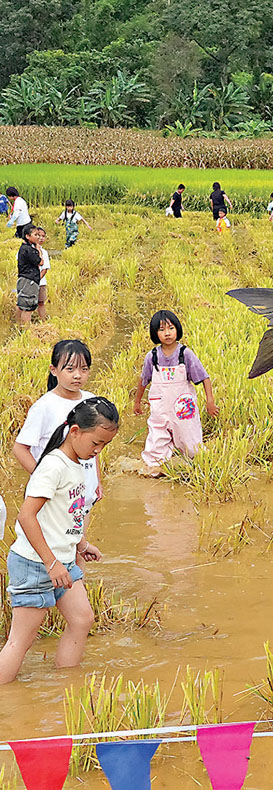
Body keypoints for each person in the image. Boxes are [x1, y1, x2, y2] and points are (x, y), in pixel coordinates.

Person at [0, 397, 119, 684]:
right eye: (96, 443)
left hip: (62, 562)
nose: (98, 451)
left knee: (82, 620)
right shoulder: (53, 466)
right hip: (36, 563)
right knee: (20, 641)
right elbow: (27, 517)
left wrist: (81, 545)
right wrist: (51, 563)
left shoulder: (76, 463)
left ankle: (66, 689)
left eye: (104, 445)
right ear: (75, 431)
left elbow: (66, 515)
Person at [13, 339, 103, 512]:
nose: (77, 375)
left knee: (78, 535)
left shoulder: (91, 401)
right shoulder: (44, 407)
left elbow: (94, 443)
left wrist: (97, 480)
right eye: (70, 369)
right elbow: (19, 448)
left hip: (83, 490)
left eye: (84, 369)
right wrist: (44, 479)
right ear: (53, 370)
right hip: (53, 494)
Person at [133, 310, 219, 476]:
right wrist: (137, 402)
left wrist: (210, 401)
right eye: (161, 330)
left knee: (190, 443)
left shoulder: (185, 354)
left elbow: (204, 377)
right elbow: (144, 380)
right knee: (156, 442)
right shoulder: (152, 357)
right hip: (160, 406)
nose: (167, 333)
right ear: (155, 333)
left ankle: (196, 469)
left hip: (183, 407)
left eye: (171, 328)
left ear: (177, 329)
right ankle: (156, 469)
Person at [15, 224, 42, 326]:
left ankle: (18, 327)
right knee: (27, 307)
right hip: (29, 280)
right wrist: (38, 249)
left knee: (21, 304)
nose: (38, 237)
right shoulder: (29, 250)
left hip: (23, 279)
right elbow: (40, 262)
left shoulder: (24, 248)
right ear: (27, 236)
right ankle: (26, 331)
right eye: (35, 235)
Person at [34, 226, 50, 321]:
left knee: (41, 302)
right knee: (27, 304)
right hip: (28, 281)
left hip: (40, 282)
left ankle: (42, 322)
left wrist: (37, 279)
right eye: (38, 235)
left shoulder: (44, 252)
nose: (41, 238)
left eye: (43, 236)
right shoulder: (27, 249)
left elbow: (45, 269)